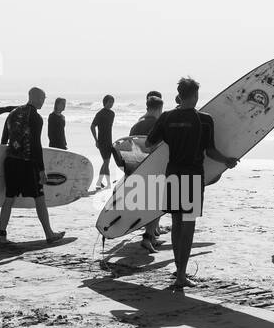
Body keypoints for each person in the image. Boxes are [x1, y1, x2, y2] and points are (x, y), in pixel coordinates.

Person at [146, 77, 239, 291]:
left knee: (176, 222)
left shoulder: (167, 117)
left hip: (173, 174)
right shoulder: (204, 120)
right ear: (195, 95)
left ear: (180, 94)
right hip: (192, 176)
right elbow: (210, 151)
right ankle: (180, 275)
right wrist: (227, 161)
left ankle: (179, 272)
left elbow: (149, 143)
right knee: (188, 225)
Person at [0, 87, 66, 247]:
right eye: (42, 98)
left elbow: (4, 140)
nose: (43, 101)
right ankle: (49, 234)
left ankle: (2, 236)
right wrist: (42, 170)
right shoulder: (36, 117)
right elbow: (36, 145)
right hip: (27, 163)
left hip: (10, 161)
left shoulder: (13, 113)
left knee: (9, 198)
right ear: (34, 98)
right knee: (39, 197)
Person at [129, 91, 167, 252]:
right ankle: (149, 237)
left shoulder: (137, 124)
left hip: (138, 167)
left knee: (148, 204)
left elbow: (130, 148)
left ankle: (151, 235)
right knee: (158, 203)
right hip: (155, 167)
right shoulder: (158, 124)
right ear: (159, 108)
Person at [91, 95, 124, 189]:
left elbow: (108, 128)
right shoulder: (100, 114)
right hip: (101, 141)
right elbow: (92, 126)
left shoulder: (112, 114)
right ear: (105, 102)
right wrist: (96, 140)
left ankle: (99, 182)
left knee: (106, 162)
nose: (111, 104)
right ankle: (106, 183)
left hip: (109, 140)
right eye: (109, 102)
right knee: (106, 162)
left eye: (112, 102)